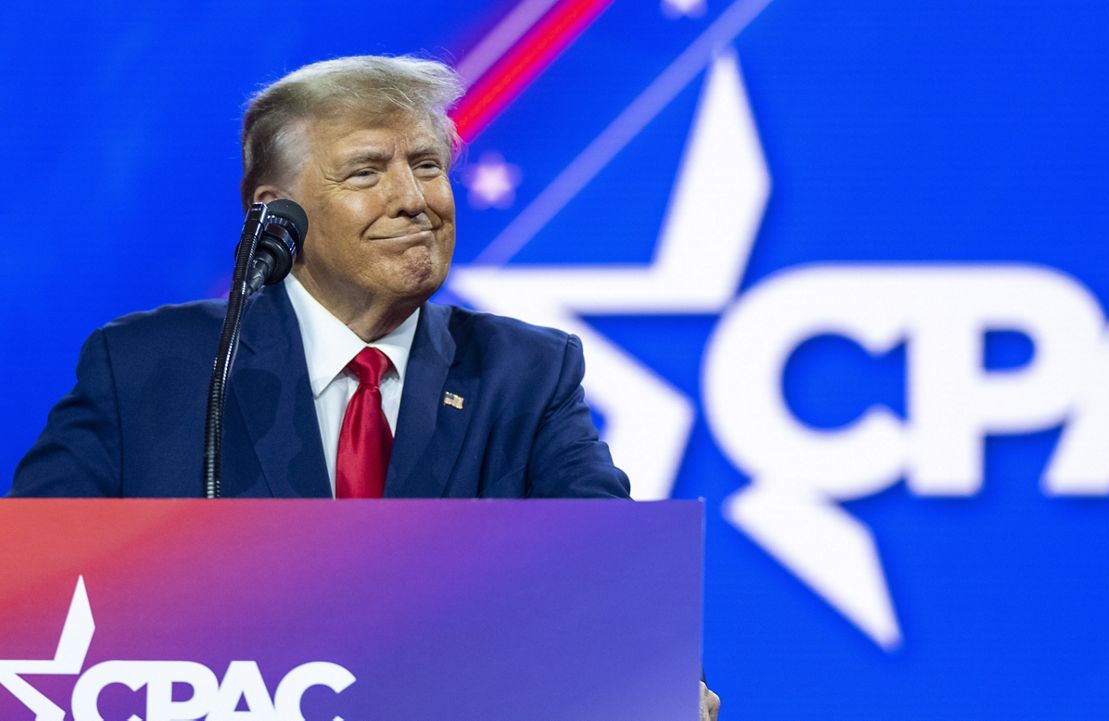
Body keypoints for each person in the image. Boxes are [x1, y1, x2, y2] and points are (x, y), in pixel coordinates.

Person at [9, 55, 718, 717]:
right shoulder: (147, 366)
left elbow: (603, 571)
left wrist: (651, 673)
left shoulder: (524, 374)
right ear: (275, 215)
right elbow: (31, 596)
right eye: (366, 172)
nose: (413, 199)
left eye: (428, 165)